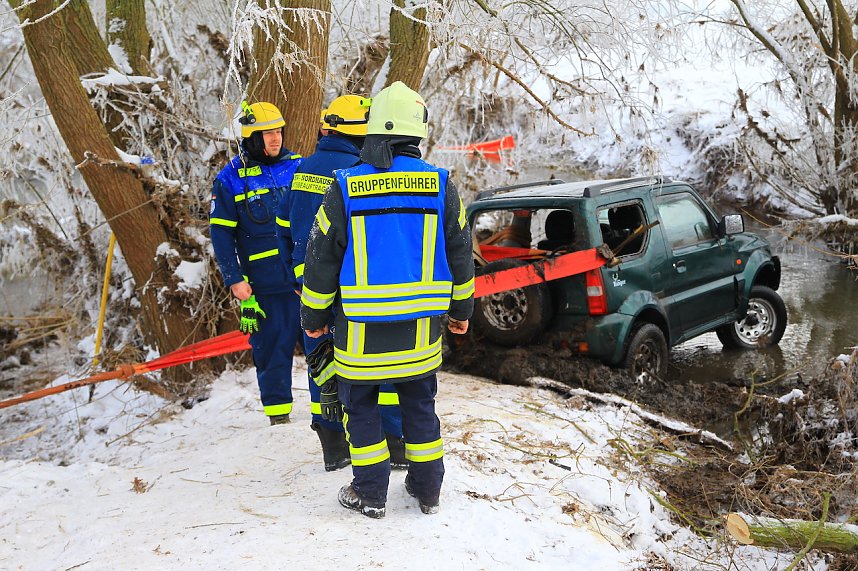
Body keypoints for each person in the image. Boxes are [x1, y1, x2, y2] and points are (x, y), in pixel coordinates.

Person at [300, 81, 475, 518]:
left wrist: (314, 316)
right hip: (419, 331)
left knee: (360, 409)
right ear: (418, 133)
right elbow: (460, 252)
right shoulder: (440, 184)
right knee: (419, 405)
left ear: (374, 129)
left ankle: (370, 494)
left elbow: (321, 259)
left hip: (359, 333)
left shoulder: (344, 187)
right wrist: (461, 311)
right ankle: (427, 490)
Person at [275, 95, 408, 472]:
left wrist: (297, 278)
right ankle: (392, 444)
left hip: (310, 291)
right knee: (378, 366)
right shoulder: (362, 176)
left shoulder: (301, 170)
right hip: (354, 292)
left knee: (322, 364)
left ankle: (334, 447)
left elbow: (282, 228)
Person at [210, 101, 303, 425]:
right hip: (264, 285)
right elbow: (221, 233)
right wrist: (234, 278)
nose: (275, 139)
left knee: (325, 345)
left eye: (278, 131)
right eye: (267, 133)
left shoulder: (300, 167)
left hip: (306, 280)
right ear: (251, 138)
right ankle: (278, 416)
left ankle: (332, 411)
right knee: (271, 349)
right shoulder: (231, 179)